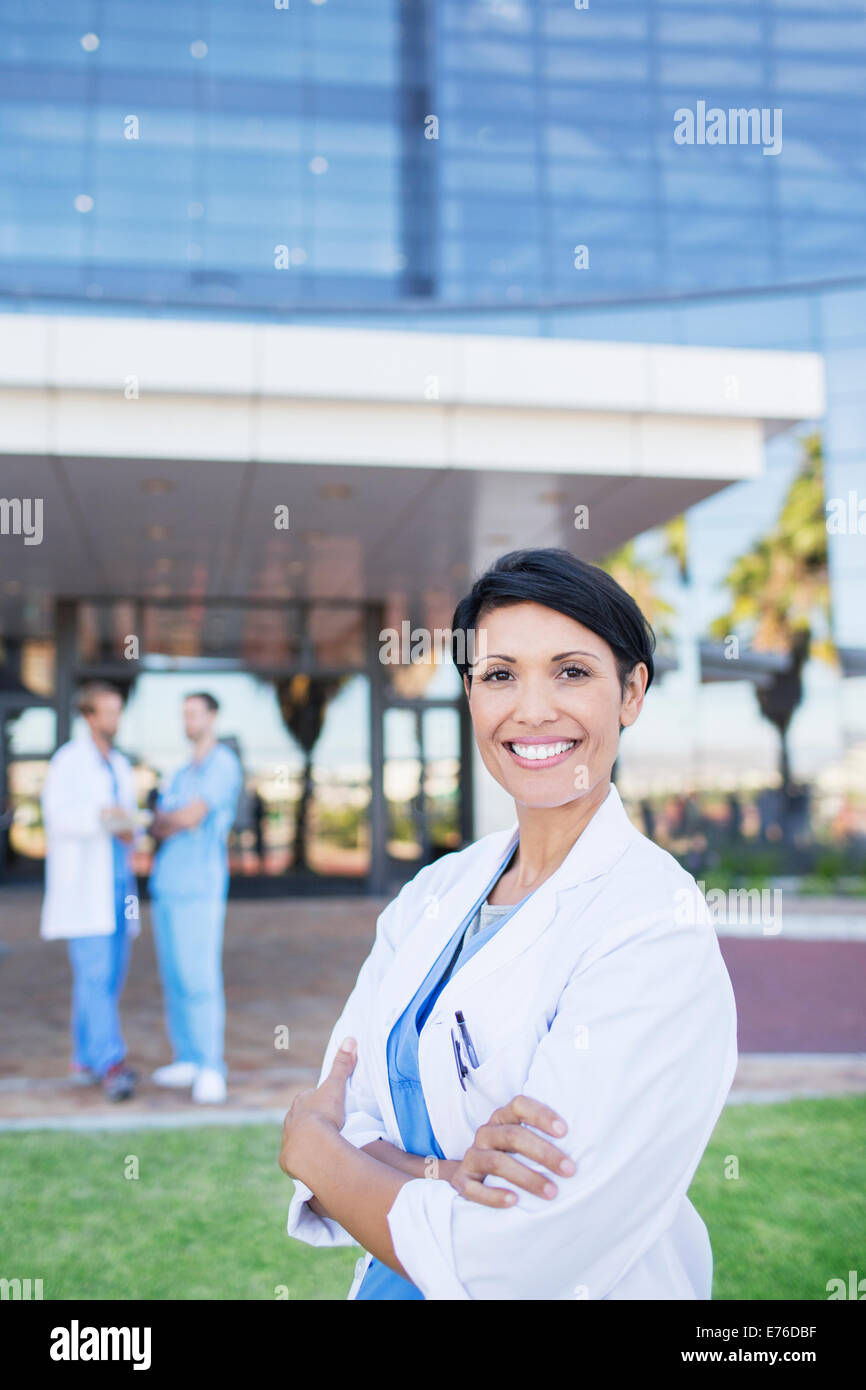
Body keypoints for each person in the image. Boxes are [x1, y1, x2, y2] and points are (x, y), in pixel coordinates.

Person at [280, 548, 738, 1300]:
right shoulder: (435, 893)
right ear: (469, 695)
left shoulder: (656, 926)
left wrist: (318, 1156)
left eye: (572, 671)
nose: (530, 710)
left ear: (632, 692)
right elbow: (346, 1103)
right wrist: (446, 1176)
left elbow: (521, 1256)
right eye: (498, 675)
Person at [40, 682, 140, 1101]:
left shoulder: (118, 763)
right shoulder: (68, 761)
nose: (115, 719)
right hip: (85, 893)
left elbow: (128, 821)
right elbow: (56, 818)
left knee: (108, 978)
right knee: (95, 976)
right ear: (89, 716)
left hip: (120, 891)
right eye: (108, 712)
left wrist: (127, 827)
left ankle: (83, 1057)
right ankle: (111, 1063)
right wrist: (100, 816)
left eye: (119, 710)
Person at [148, 693, 242, 1104]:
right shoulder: (183, 772)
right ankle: (186, 1055)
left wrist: (172, 819)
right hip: (167, 885)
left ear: (213, 716)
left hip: (200, 889)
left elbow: (189, 817)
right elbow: (160, 826)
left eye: (195, 713)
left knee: (200, 976)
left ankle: (210, 1067)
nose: (188, 720)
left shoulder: (222, 764)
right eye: (183, 713)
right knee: (174, 975)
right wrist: (172, 820)